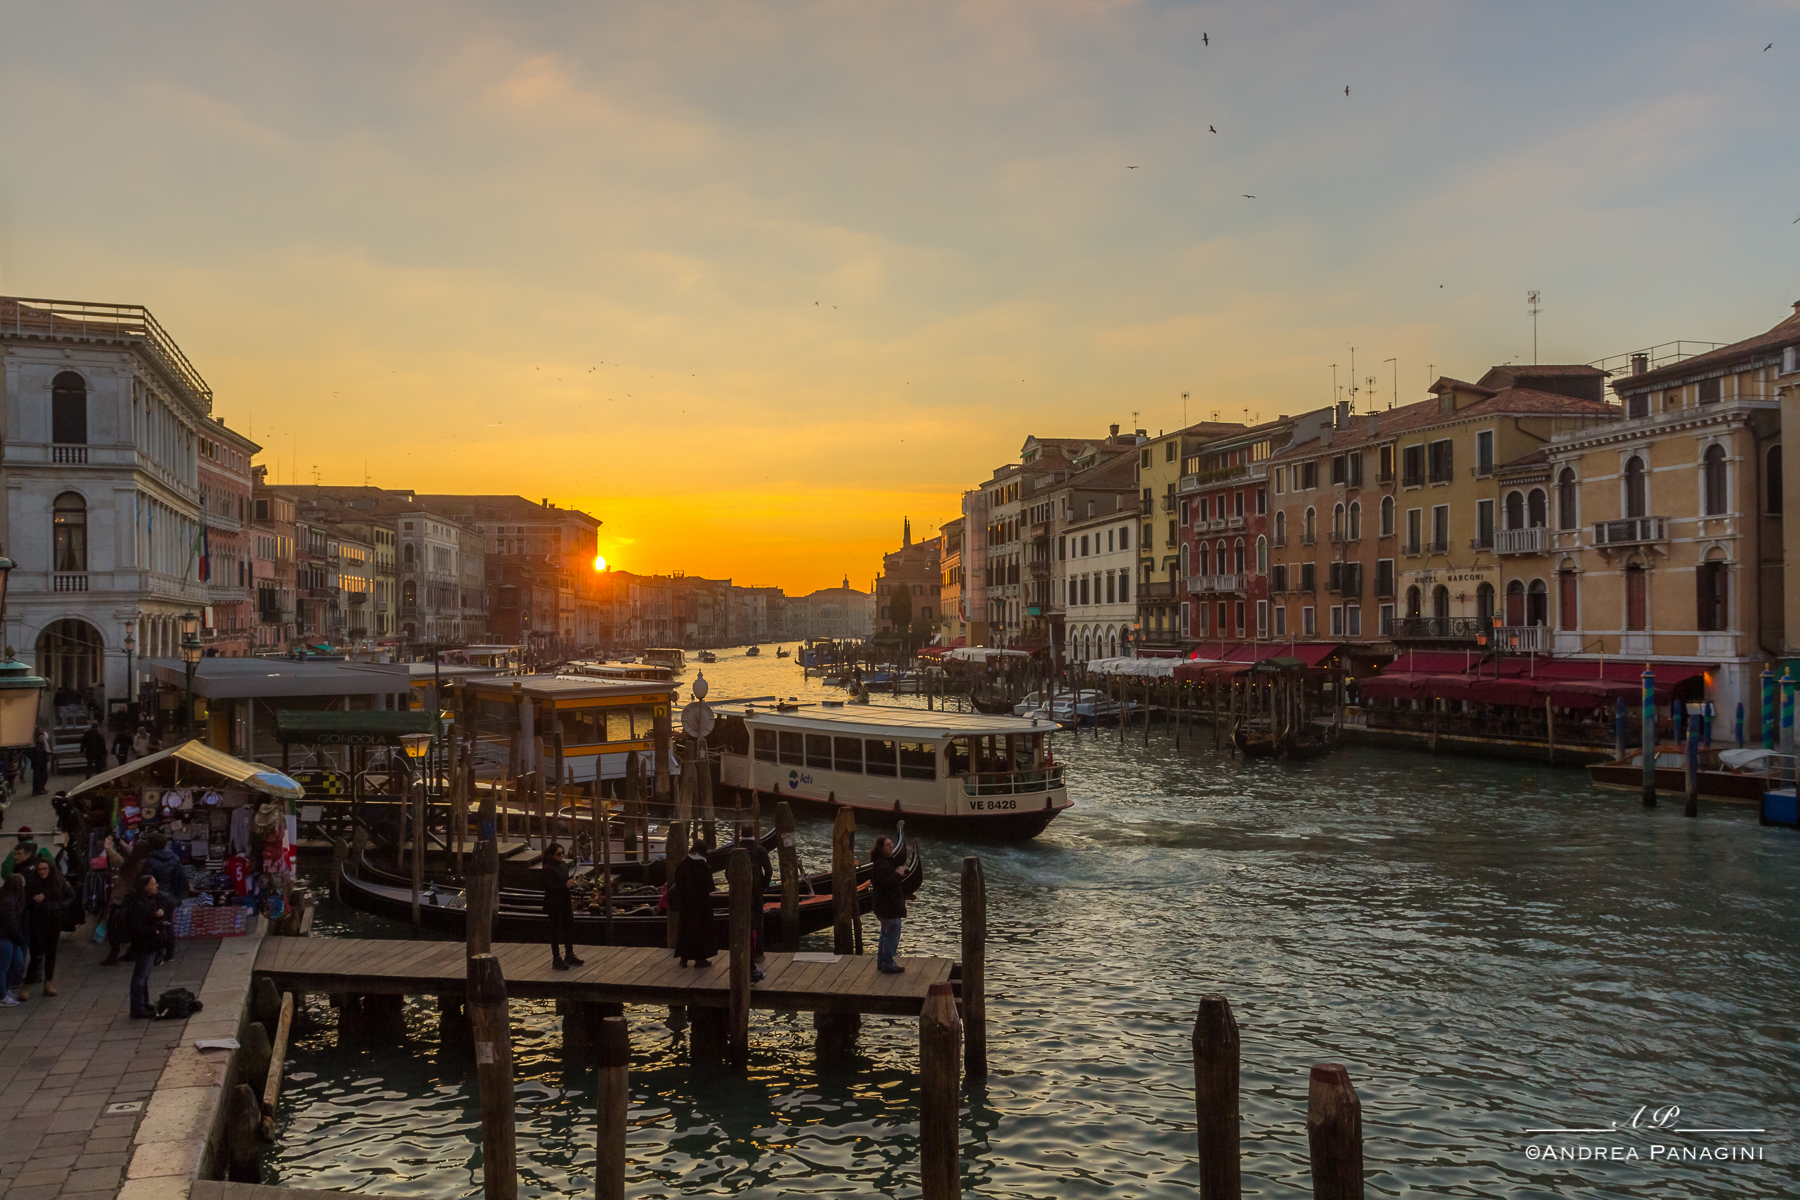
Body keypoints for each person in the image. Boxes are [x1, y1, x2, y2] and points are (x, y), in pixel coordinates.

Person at [119, 874, 168, 1018]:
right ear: (145, 887)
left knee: (145, 975)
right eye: (153, 884)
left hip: (150, 943)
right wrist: (155, 930)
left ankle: (143, 1003)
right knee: (140, 976)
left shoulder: (148, 901)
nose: (156, 886)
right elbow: (139, 927)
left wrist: (158, 917)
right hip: (144, 944)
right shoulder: (137, 905)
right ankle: (137, 1007)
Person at [728, 824, 772, 981]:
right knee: (758, 921)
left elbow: (728, 872)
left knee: (740, 921)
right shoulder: (760, 850)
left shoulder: (735, 850)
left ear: (741, 833)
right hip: (756, 891)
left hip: (740, 892)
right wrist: (763, 886)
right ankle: (758, 953)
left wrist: (734, 888)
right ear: (753, 833)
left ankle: (741, 950)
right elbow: (769, 871)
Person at [21, 858, 67, 999]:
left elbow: (70, 896)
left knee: (51, 953)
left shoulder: (58, 882)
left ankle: (49, 982)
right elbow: (26, 902)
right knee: (36, 955)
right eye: (39, 869)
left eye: (44, 869)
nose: (42, 872)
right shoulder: (32, 884)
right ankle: (27, 984)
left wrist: (59, 905)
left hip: (54, 921)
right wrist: (34, 900)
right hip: (37, 922)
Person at [671, 839, 717, 968]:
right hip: (702, 906)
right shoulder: (704, 867)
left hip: (686, 904)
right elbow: (710, 887)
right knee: (701, 933)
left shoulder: (682, 864)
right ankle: (700, 959)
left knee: (685, 931)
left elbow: (677, 882)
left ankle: (684, 959)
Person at [872, 822, 907, 974]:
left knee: (885, 935)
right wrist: (898, 874)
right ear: (881, 848)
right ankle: (887, 963)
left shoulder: (881, 863)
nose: (891, 847)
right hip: (889, 907)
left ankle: (882, 961)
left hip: (883, 907)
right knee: (891, 937)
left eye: (892, 844)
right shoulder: (881, 865)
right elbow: (886, 883)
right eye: (888, 845)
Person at [542, 843, 583, 971]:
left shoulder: (564, 865)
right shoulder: (548, 868)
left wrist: (571, 884)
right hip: (554, 903)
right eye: (558, 854)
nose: (561, 856)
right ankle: (556, 958)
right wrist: (565, 885)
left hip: (565, 901)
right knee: (556, 931)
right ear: (551, 855)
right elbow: (550, 887)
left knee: (569, 927)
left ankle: (569, 954)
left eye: (562, 853)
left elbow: (564, 881)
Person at [0, 873, 25, 1004]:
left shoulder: (9, 897)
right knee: (4, 967)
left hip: (10, 937)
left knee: (17, 962)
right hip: (5, 937)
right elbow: (10, 922)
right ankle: (2, 996)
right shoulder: (9, 900)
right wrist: (19, 937)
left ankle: (4, 989)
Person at [26, 728, 49, 796]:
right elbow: (28, 752)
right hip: (37, 764)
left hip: (43, 763)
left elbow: (44, 752)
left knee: (44, 776)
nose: (42, 739)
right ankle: (36, 790)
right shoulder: (34, 745)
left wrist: (47, 756)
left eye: (43, 737)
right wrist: (34, 759)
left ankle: (41, 788)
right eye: (41, 737)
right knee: (37, 777)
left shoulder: (42, 744)